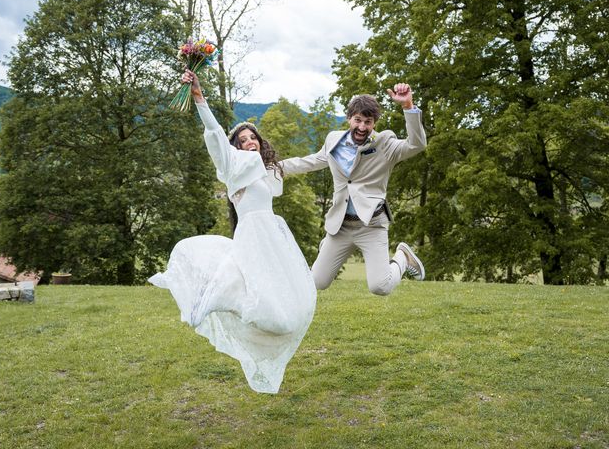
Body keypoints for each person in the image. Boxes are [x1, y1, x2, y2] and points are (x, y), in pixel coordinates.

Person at [149, 69, 316, 394]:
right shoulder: (232, 166)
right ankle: (217, 298)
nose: (249, 142)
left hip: (274, 238)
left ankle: (223, 297)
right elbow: (213, 129)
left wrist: (337, 154)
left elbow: (306, 162)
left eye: (252, 137)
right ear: (235, 147)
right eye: (242, 140)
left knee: (291, 308)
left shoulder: (267, 170)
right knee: (267, 307)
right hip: (253, 237)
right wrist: (199, 96)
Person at [280, 83, 427, 296]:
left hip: (372, 225)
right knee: (317, 282)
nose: (362, 127)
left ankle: (402, 258)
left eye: (368, 122)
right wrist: (277, 167)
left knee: (380, 287)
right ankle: (328, 245)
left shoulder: (385, 143)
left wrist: (408, 106)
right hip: (341, 227)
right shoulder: (333, 140)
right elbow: (312, 161)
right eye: (357, 120)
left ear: (374, 123)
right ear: (349, 118)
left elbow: (417, 144)